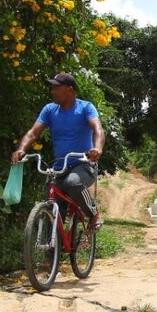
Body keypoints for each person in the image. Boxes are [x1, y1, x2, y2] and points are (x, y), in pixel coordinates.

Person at [11, 72, 105, 230]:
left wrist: (97, 148)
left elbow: (98, 129)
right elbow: (33, 133)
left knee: (73, 182)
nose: (52, 91)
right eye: (52, 88)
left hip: (84, 165)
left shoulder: (86, 108)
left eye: (56, 88)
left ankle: (93, 214)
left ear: (69, 90)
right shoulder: (49, 110)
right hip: (59, 168)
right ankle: (51, 253)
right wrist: (21, 149)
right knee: (53, 204)